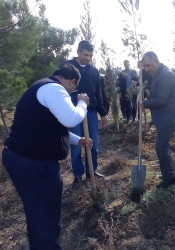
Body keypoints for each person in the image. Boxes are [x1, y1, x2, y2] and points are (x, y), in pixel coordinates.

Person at [2, 64, 92, 249]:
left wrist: (77, 140)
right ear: (72, 82)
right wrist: (82, 103)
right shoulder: (54, 89)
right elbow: (71, 118)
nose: (73, 93)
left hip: (26, 159)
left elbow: (51, 127)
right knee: (45, 216)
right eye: (74, 90)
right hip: (31, 163)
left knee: (39, 214)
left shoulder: (45, 88)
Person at [63, 40, 108, 184]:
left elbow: (98, 93)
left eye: (90, 55)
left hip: (91, 112)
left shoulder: (93, 71)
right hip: (73, 112)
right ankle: (77, 175)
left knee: (93, 144)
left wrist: (103, 113)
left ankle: (91, 172)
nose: (88, 58)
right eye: (85, 55)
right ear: (78, 52)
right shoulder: (67, 68)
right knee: (76, 144)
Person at [139, 51, 175, 188]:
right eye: (144, 66)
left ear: (156, 61)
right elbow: (147, 73)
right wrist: (141, 68)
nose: (146, 69)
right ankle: (169, 174)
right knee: (162, 146)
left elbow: (161, 100)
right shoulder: (158, 73)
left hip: (168, 117)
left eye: (148, 65)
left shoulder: (166, 75)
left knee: (161, 147)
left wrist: (145, 103)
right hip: (164, 117)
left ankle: (170, 178)